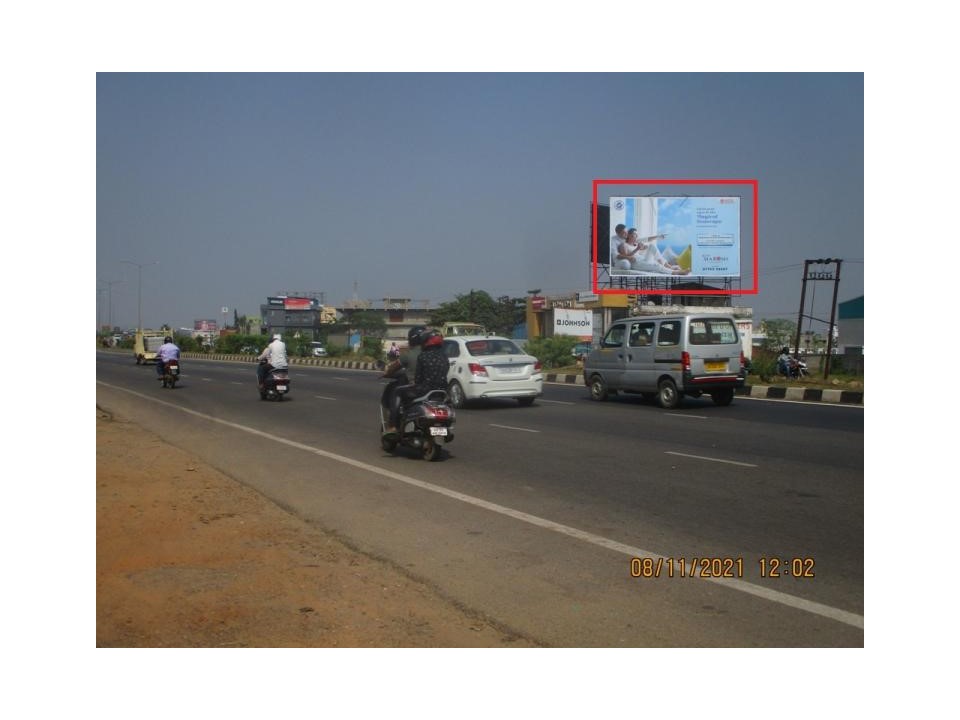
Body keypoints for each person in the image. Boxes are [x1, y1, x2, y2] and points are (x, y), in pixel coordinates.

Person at [387, 329, 449, 435]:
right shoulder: (444, 356)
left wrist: (416, 383)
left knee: (397, 391)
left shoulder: (422, 356)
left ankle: (392, 425)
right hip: (442, 391)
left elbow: (419, 377)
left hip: (424, 389)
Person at [381, 326, 429, 433]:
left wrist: (386, 373)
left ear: (412, 339)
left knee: (396, 392)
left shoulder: (408, 354)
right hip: (431, 389)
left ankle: (392, 426)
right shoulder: (431, 354)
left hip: (415, 389)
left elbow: (393, 368)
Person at [621, 229, 690, 275]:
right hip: (636, 263)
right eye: (634, 234)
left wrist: (659, 236)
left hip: (643, 259)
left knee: (651, 245)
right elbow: (625, 256)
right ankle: (676, 272)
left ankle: (668, 266)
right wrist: (637, 249)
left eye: (637, 235)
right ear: (629, 235)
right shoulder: (624, 245)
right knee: (656, 266)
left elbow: (648, 239)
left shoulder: (635, 242)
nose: (636, 236)